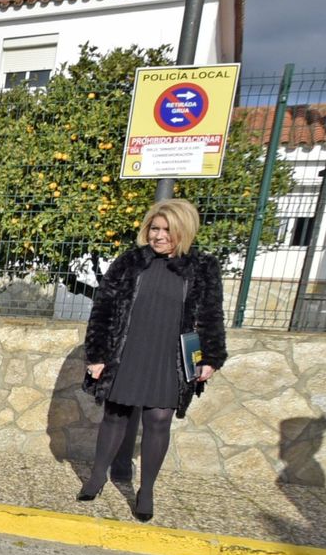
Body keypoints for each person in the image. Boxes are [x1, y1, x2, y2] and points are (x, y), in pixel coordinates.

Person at [79, 198, 227, 522]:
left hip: (169, 357)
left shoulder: (203, 268)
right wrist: (98, 355)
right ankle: (97, 476)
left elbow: (211, 315)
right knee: (115, 416)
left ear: (184, 231)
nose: (158, 236)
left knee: (159, 421)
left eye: (167, 230)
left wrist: (211, 358)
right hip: (128, 352)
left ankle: (146, 491)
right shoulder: (130, 262)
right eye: (154, 229)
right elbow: (103, 310)